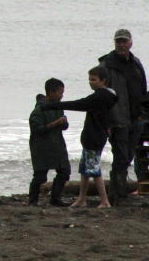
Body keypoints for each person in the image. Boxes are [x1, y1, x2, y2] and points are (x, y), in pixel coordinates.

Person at [42, 65, 118, 208]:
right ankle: (82, 199)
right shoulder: (105, 95)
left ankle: (104, 201)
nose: (91, 82)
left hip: (94, 138)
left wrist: (51, 106)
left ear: (103, 80)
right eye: (89, 79)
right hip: (93, 137)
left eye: (94, 80)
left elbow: (79, 104)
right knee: (85, 169)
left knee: (94, 170)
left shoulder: (100, 96)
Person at [98, 29, 146, 204]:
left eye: (124, 41)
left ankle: (121, 191)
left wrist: (142, 114)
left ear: (130, 43)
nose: (121, 44)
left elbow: (142, 90)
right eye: (118, 41)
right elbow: (100, 97)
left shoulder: (136, 63)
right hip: (117, 120)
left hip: (136, 118)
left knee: (128, 157)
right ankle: (116, 195)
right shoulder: (106, 66)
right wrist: (107, 123)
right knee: (120, 157)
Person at [27, 78, 71, 206]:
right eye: (60, 93)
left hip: (57, 145)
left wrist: (64, 123)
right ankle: (32, 201)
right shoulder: (38, 111)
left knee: (64, 171)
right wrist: (56, 123)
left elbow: (64, 126)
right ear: (50, 92)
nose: (62, 96)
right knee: (40, 176)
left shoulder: (58, 107)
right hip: (41, 147)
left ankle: (55, 198)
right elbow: (37, 130)